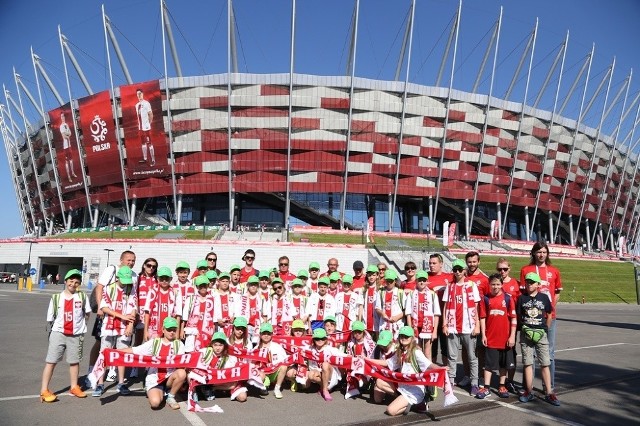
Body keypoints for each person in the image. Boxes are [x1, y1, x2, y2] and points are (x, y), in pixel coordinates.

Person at [87, 250, 137, 387]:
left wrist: (130, 322)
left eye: (133, 260)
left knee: (121, 347)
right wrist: (99, 307)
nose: (131, 262)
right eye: (128, 260)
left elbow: (133, 300)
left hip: (123, 320)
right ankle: (93, 372)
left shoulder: (133, 276)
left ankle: (114, 373)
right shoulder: (112, 270)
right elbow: (100, 287)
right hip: (107, 315)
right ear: (121, 260)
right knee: (100, 344)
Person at [40, 269, 91, 402]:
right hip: (58, 333)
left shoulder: (82, 297)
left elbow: (87, 313)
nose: (73, 284)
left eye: (76, 282)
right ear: (65, 281)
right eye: (71, 281)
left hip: (76, 334)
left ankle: (74, 387)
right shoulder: (56, 297)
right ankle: (44, 390)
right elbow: (50, 318)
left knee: (74, 362)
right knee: (51, 361)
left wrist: (81, 325)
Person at [519, 242, 562, 393]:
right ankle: (527, 387)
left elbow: (557, 292)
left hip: (549, 317)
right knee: (528, 354)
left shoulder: (554, 271)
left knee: (549, 352)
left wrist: (550, 307)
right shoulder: (526, 269)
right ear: (533, 253)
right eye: (538, 252)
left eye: (544, 252)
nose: (541, 255)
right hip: (530, 318)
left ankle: (548, 386)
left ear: (547, 253)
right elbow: (522, 293)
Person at [369, 326, 441, 415]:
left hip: (414, 389)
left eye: (406, 336)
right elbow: (387, 362)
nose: (403, 338)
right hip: (402, 386)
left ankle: (417, 403)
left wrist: (440, 368)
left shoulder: (416, 352)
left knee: (391, 411)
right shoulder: (400, 351)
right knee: (379, 382)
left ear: (412, 338)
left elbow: (429, 365)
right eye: (402, 336)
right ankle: (403, 400)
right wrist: (367, 360)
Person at [121, 317, 186, 409]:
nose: (171, 332)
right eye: (169, 329)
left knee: (181, 373)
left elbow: (183, 364)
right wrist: (113, 351)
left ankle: (171, 396)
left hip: (170, 378)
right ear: (163, 329)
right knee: (155, 404)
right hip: (155, 378)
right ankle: (158, 391)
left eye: (174, 330)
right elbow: (134, 350)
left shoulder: (179, 344)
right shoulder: (155, 342)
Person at [517, 272, 560, 406]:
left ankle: (549, 392)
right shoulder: (521, 298)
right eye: (527, 282)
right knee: (528, 363)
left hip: (540, 333)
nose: (529, 284)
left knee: (545, 363)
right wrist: (523, 328)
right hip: (526, 334)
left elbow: (549, 314)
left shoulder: (544, 298)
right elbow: (519, 315)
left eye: (532, 282)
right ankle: (528, 391)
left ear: (538, 284)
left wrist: (545, 330)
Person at [442, 259, 481, 396]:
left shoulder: (471, 285)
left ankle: (474, 383)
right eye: (455, 270)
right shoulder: (450, 286)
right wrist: (444, 324)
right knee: (452, 356)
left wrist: (477, 325)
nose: (457, 272)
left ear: (464, 270)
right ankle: (451, 381)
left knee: (472, 357)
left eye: (459, 269)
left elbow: (476, 306)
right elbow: (446, 306)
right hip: (453, 326)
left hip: (468, 326)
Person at [476, 273, 517, 399]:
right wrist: (483, 335)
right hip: (491, 337)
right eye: (493, 284)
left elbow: (514, 318)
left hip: (505, 338)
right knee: (488, 365)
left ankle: (502, 385)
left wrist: (512, 336)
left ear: (502, 284)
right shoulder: (486, 299)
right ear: (489, 285)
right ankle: (486, 388)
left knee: (503, 365)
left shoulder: (508, 299)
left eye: (498, 284)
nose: (495, 287)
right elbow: (482, 317)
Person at [195, 331, 248, 402]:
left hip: (222, 382)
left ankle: (212, 389)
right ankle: (195, 392)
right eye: (215, 345)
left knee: (242, 397)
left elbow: (232, 378)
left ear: (224, 346)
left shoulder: (231, 357)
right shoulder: (204, 352)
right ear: (212, 345)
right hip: (207, 378)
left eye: (220, 345)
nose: (217, 348)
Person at [496, 257, 520, 393]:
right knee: (500, 353)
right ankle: (501, 381)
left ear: (509, 269)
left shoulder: (515, 284)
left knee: (511, 352)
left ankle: (509, 381)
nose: (502, 271)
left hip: (512, 323)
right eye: (500, 269)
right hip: (498, 323)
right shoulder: (494, 283)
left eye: (505, 269)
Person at [406, 270, 440, 360]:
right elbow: (408, 313)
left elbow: (436, 314)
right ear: (416, 281)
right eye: (420, 280)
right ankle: (419, 372)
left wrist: (435, 330)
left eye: (424, 280)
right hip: (415, 325)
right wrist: (410, 329)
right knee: (418, 350)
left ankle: (427, 373)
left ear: (427, 281)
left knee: (427, 352)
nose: (422, 282)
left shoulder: (432, 294)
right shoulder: (411, 294)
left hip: (428, 325)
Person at [304, 328, 344, 401]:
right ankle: (324, 387)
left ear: (325, 339)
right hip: (317, 373)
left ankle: (325, 390)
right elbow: (296, 349)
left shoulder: (330, 349)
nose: (320, 341)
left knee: (325, 364)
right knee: (310, 375)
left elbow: (344, 356)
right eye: (317, 339)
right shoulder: (309, 348)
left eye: (322, 338)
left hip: (330, 374)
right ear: (313, 340)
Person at [428, 253, 453, 366]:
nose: (431, 266)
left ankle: (446, 374)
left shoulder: (450, 277)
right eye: (430, 263)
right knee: (431, 348)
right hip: (430, 319)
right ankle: (431, 373)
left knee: (445, 348)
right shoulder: (425, 277)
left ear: (441, 264)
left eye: (434, 263)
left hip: (445, 319)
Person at [144, 266, 182, 341]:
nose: (164, 281)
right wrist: (145, 331)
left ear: (171, 279)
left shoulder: (175, 293)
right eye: (161, 278)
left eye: (166, 278)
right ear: (157, 279)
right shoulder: (152, 291)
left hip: (170, 330)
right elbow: (147, 312)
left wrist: (177, 333)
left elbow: (178, 314)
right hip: (154, 329)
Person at [252, 323, 288, 399]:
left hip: (274, 372)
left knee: (284, 366)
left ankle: (277, 388)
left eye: (268, 334)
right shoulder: (256, 349)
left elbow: (285, 360)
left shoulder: (277, 346)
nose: (266, 336)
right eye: (264, 333)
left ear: (272, 335)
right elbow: (252, 364)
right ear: (260, 335)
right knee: (262, 383)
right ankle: (264, 385)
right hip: (263, 373)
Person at [182, 275, 216, 353]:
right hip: (192, 331)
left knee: (203, 353)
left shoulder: (213, 299)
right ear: (197, 287)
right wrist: (181, 330)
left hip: (206, 332)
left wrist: (213, 333)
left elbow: (214, 319)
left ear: (208, 286)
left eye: (204, 285)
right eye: (200, 286)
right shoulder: (191, 299)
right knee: (190, 353)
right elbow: (185, 317)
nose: (203, 288)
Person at [344, 321, 375, 399]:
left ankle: (363, 381)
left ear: (363, 332)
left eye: (359, 332)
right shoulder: (351, 343)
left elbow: (372, 358)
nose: (357, 334)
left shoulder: (369, 343)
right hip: (355, 364)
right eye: (355, 332)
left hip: (367, 365)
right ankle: (353, 389)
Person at [375, 270, 409, 337]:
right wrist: (382, 314)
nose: (389, 283)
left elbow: (406, 310)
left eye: (391, 280)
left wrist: (397, 317)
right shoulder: (381, 292)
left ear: (395, 281)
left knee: (396, 345)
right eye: (387, 280)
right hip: (384, 324)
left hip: (397, 324)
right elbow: (377, 308)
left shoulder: (400, 292)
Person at [135, 88, 156, 166]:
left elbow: (150, 114)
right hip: (140, 128)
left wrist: (149, 123)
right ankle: (145, 159)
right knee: (143, 143)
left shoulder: (146, 103)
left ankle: (153, 159)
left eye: (140, 93)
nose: (139, 95)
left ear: (142, 94)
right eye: (137, 94)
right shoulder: (136, 105)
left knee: (149, 143)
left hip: (146, 128)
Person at [359, 265, 379, 337]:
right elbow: (361, 305)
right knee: (367, 341)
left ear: (377, 276)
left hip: (377, 319)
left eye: (373, 275)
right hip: (366, 319)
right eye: (369, 275)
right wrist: (359, 320)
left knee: (378, 341)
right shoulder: (364, 289)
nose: (371, 277)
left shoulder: (380, 289)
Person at [59, 111, 78, 182]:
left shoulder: (66, 124)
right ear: (60, 118)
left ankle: (72, 173)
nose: (62, 118)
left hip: (69, 145)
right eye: (61, 116)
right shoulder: (61, 126)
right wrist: (67, 134)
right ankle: (69, 176)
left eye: (63, 116)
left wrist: (67, 134)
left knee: (71, 160)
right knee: (67, 162)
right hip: (65, 146)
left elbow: (70, 133)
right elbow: (64, 136)